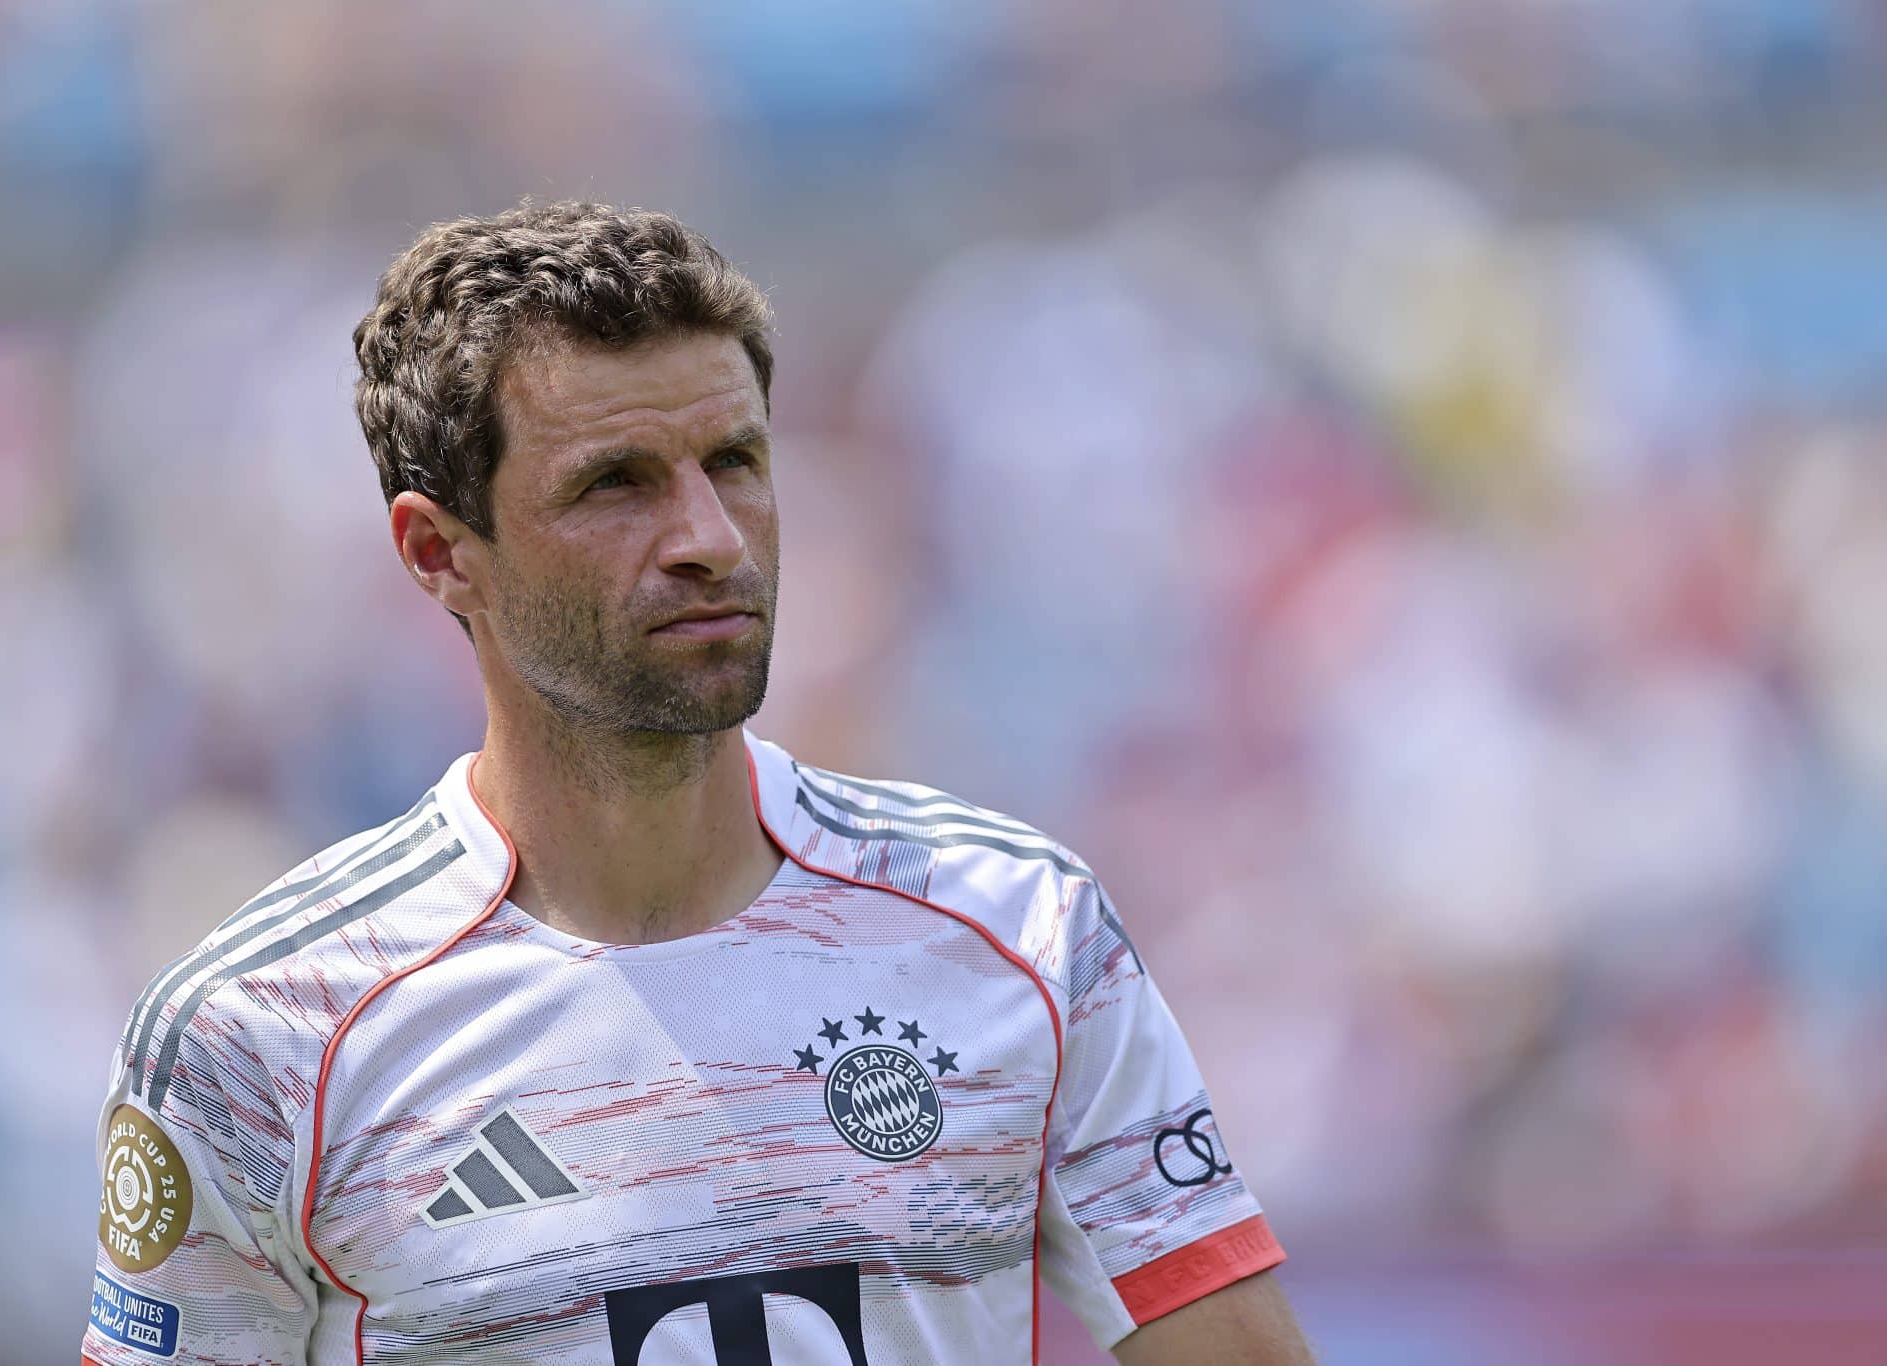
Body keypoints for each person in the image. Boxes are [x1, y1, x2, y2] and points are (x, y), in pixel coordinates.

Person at [81, 199, 1313, 1366]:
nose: (708, 538)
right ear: (439, 552)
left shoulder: (1018, 929)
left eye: (732, 461)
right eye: (614, 483)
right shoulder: (264, 1033)